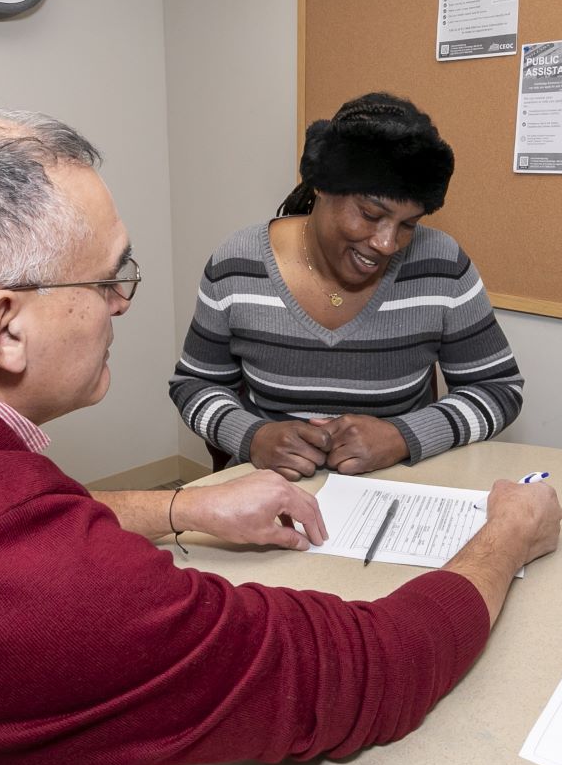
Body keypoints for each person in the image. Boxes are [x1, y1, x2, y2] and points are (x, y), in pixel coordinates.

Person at [0, 107, 562, 765]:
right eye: (110, 278)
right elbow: (364, 671)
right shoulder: (31, 576)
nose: (123, 302)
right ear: (4, 326)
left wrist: (181, 507)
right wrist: (505, 538)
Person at [170, 92, 524, 481]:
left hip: (398, 496)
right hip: (267, 495)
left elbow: (499, 389)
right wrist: (252, 436)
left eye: (408, 224)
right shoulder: (237, 263)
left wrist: (402, 436)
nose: (387, 244)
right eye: (370, 214)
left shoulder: (442, 266)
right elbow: (194, 385)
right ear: (321, 186)